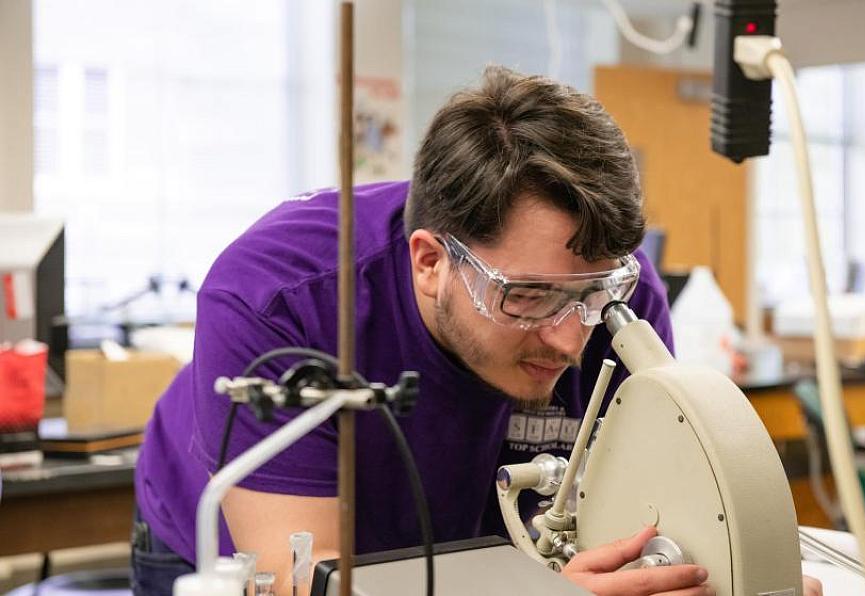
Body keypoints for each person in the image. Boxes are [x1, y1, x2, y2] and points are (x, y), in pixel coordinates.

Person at [131, 66, 818, 596]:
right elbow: (300, 575)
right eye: (530, 297)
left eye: (590, 295)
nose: (570, 342)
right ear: (431, 263)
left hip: (492, 555)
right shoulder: (279, 297)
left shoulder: (619, 303)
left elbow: (646, 533)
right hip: (246, 549)